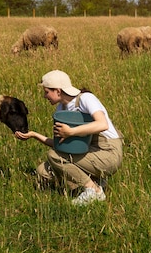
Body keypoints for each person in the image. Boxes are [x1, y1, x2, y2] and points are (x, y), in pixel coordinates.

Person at [15, 70, 123, 205]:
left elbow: (102, 124)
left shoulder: (85, 99)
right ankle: (93, 180)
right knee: (43, 173)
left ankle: (93, 191)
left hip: (108, 152)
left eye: (47, 92)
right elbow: (61, 145)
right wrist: (34, 135)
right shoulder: (61, 109)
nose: (44, 96)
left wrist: (71, 132)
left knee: (55, 156)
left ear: (58, 91)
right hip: (87, 153)